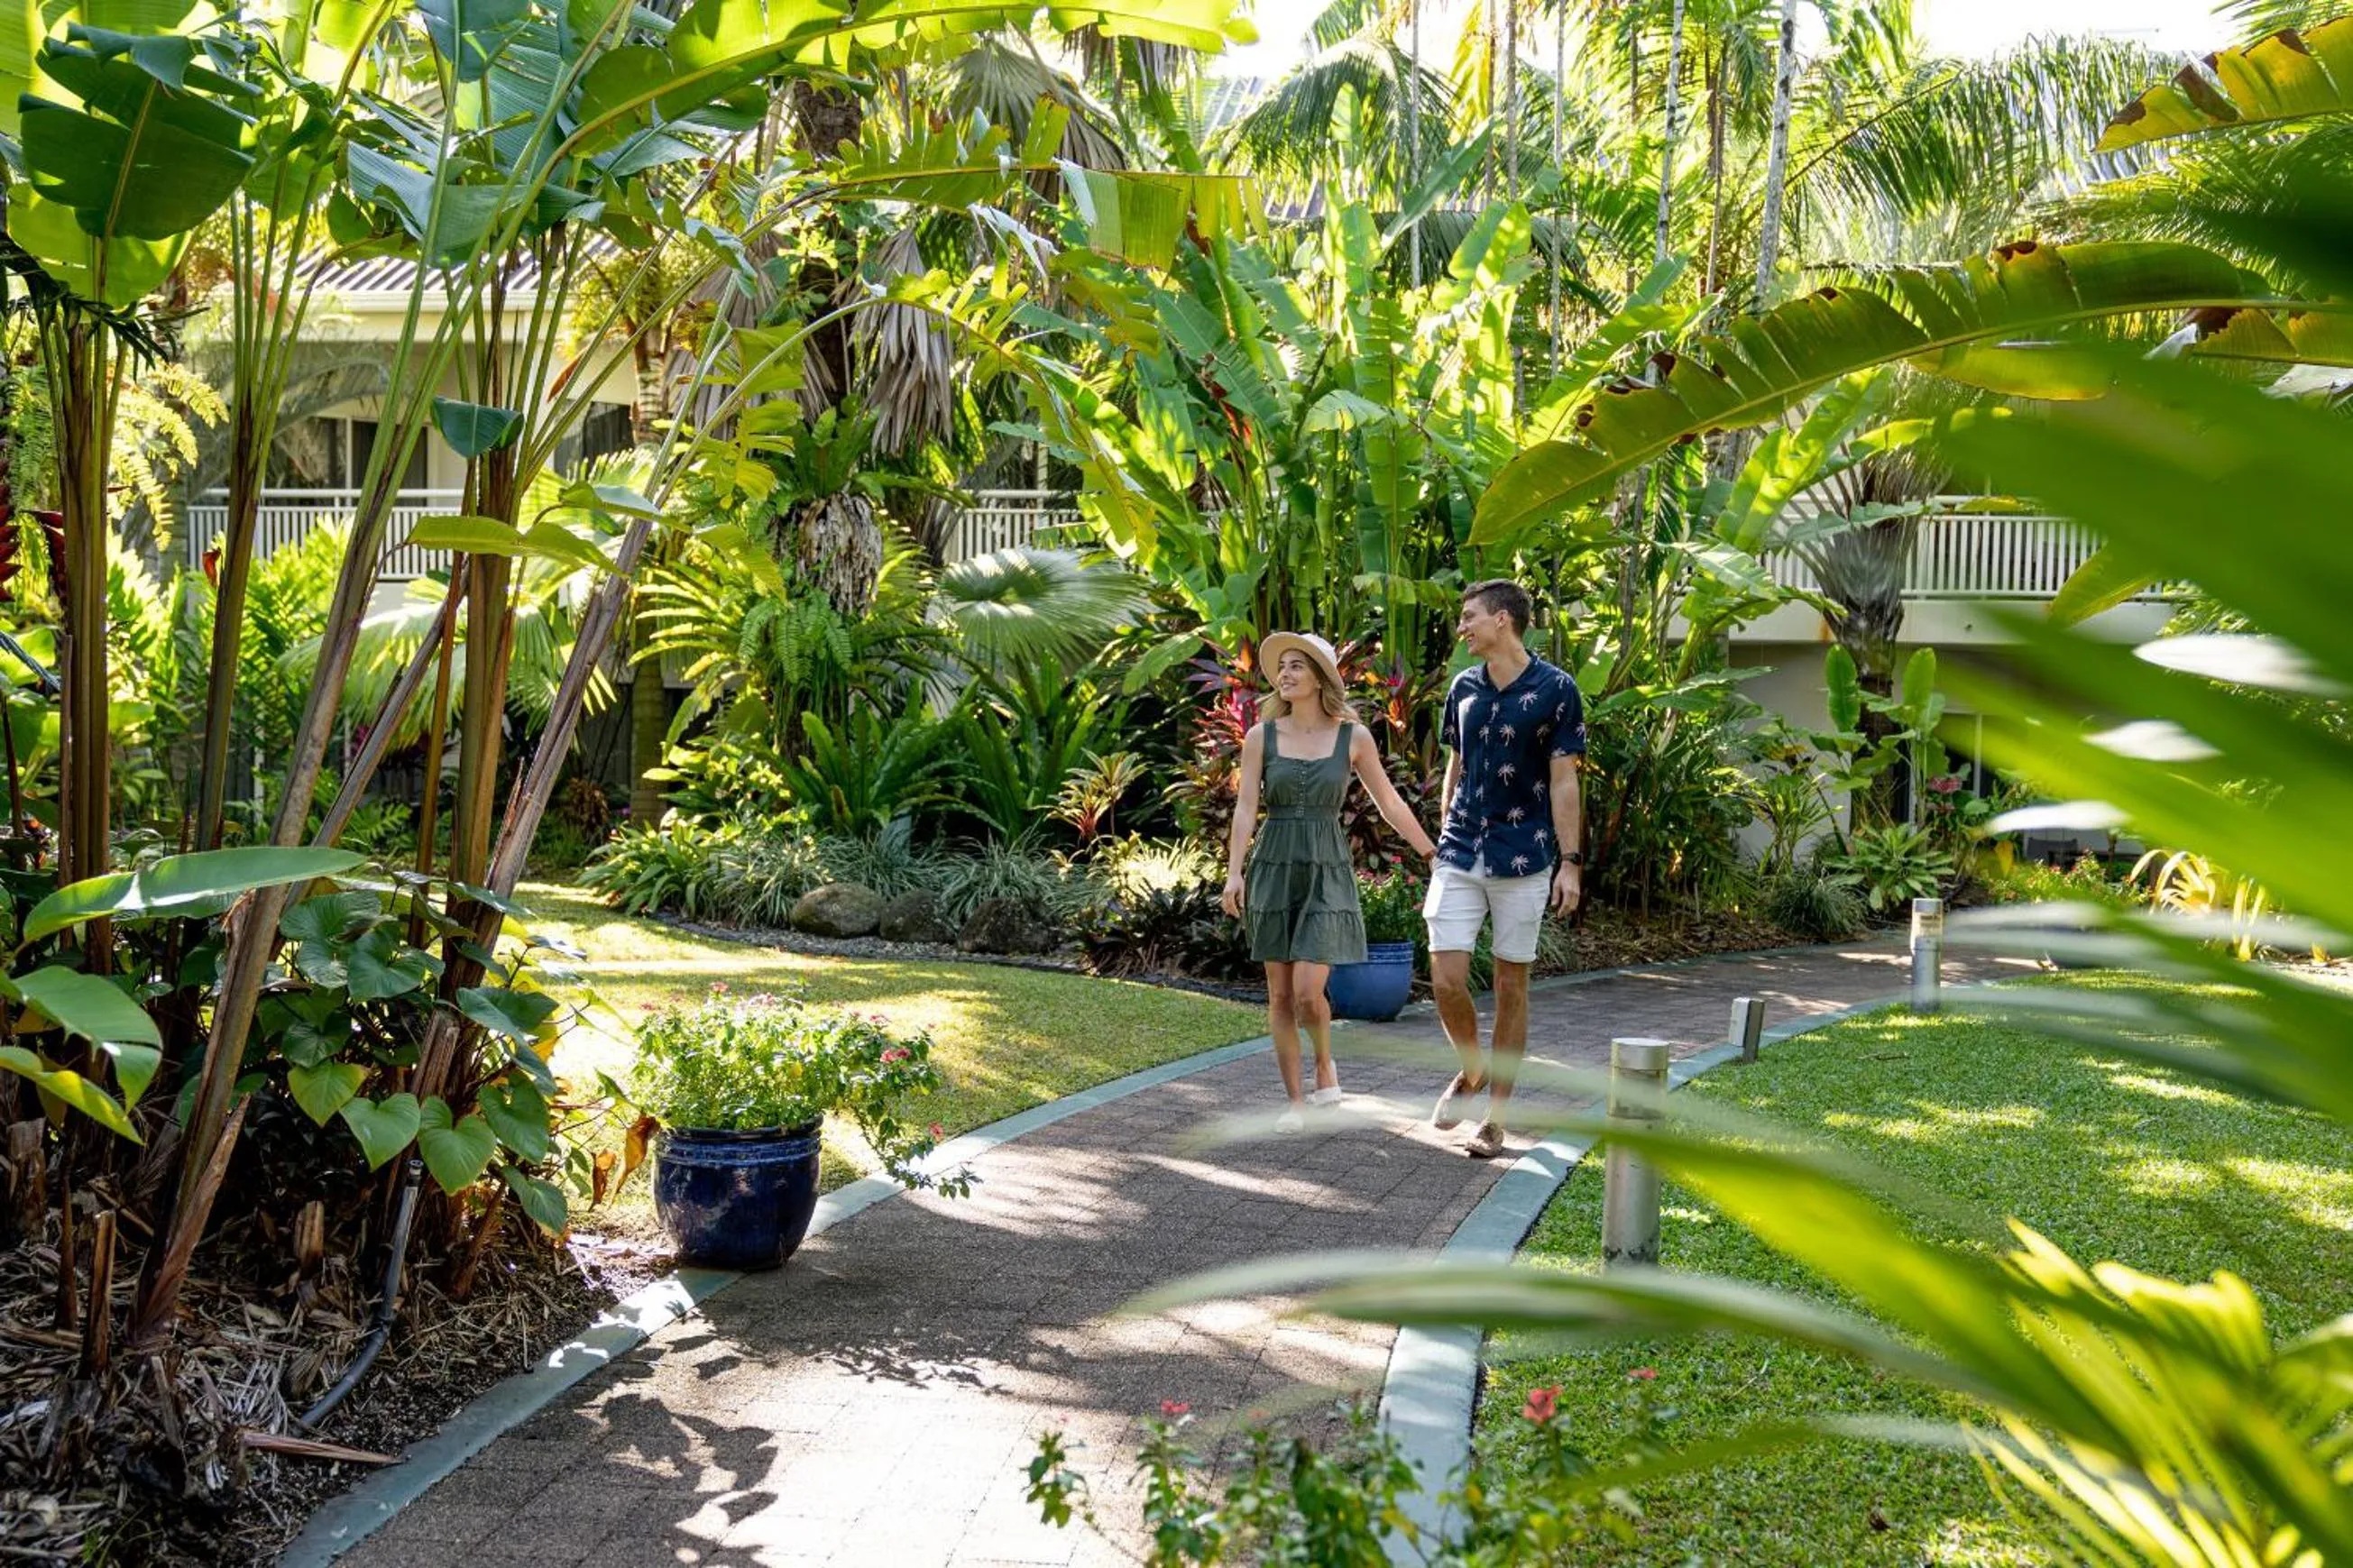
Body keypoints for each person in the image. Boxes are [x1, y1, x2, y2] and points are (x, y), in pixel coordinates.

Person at [1223, 632, 1437, 1132]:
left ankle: (1324, 1063)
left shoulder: (1352, 738)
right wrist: (1234, 872)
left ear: (1321, 678)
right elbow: (1246, 808)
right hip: (1274, 864)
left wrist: (1429, 851)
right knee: (1278, 996)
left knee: (1306, 991)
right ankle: (1296, 1102)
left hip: (1326, 867)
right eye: (1284, 667)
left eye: (1299, 666)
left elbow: (1389, 803)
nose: (1286, 674)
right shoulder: (1261, 736)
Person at [1425, 581, 1586, 1159]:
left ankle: (1494, 1120)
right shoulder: (1463, 688)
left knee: (1510, 985)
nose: (1462, 628)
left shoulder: (1556, 689)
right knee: (1445, 978)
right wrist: (1445, 824)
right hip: (1461, 849)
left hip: (1525, 853)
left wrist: (1570, 863)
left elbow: (1565, 780)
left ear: (1502, 620)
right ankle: (1472, 1072)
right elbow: (1455, 764)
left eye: (1469, 618)